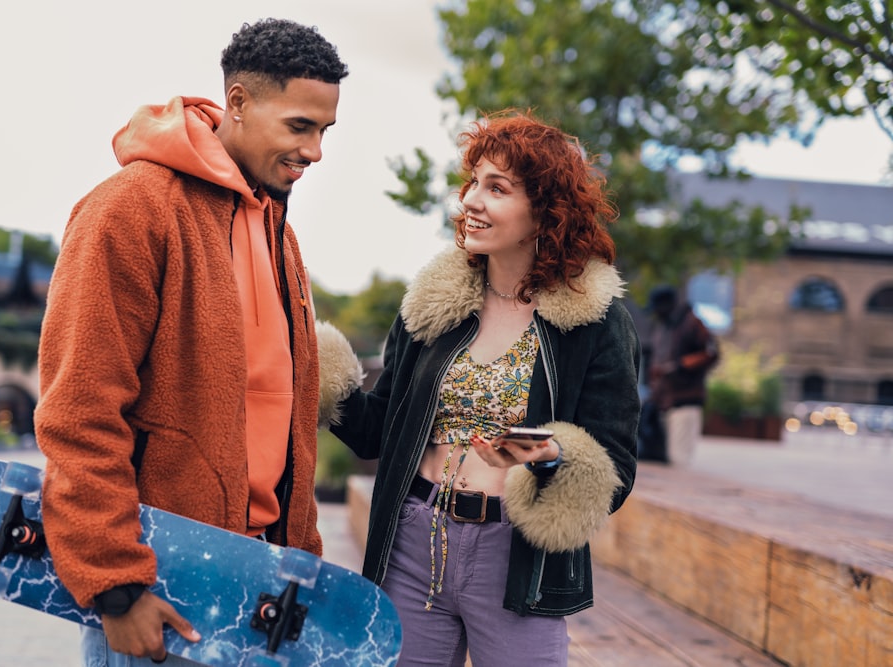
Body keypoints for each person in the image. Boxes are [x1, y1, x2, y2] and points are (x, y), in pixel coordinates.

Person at [34, 18, 348, 666]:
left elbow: (284, 427)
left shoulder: (279, 235)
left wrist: (297, 568)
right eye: (299, 126)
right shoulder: (130, 210)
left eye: (325, 131)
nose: (316, 150)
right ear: (237, 102)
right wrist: (117, 588)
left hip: (258, 587)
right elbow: (79, 412)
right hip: (160, 590)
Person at [316, 111, 640, 666]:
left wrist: (549, 454)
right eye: (472, 183)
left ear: (545, 210)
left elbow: (614, 468)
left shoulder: (595, 322)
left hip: (516, 558)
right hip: (414, 542)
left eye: (498, 188)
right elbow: (380, 434)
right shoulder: (432, 305)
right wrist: (317, 373)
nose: (472, 200)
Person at [642, 285, 719, 465]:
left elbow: (710, 353)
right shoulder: (663, 326)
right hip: (663, 401)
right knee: (665, 458)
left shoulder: (692, 323)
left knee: (679, 459)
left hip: (686, 399)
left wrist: (679, 366)